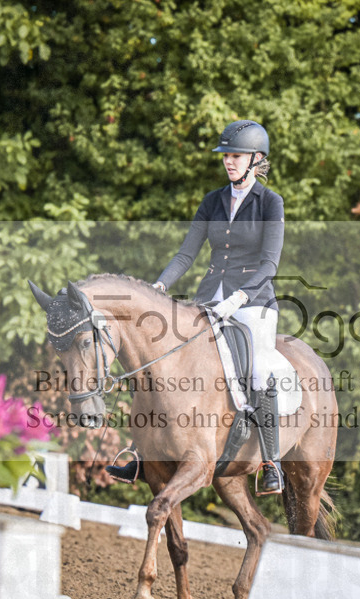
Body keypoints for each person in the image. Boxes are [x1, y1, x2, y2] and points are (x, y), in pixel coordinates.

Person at [107, 120, 286, 495]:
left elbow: (270, 264)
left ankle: (271, 462)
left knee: (262, 368)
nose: (228, 162)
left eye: (235, 156)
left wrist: (239, 298)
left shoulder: (270, 203)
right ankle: (142, 451)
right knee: (161, 361)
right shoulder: (213, 200)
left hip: (253, 303)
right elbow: (187, 253)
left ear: (256, 159)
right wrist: (159, 286)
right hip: (209, 298)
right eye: (226, 156)